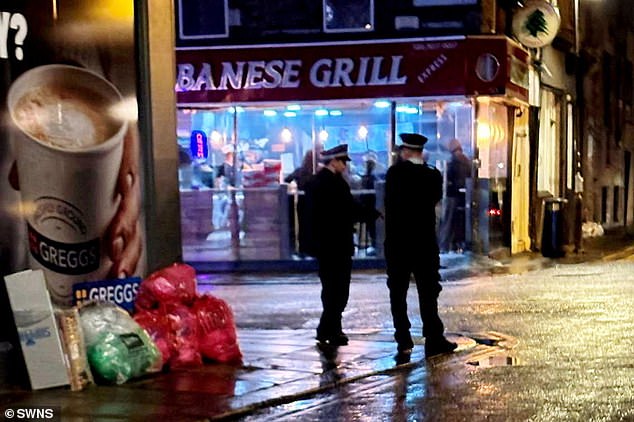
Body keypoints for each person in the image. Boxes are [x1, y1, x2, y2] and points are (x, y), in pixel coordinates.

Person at [384, 133, 457, 359]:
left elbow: (389, 202)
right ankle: (434, 337)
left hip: (398, 242)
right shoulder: (433, 175)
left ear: (405, 151)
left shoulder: (394, 174)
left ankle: (403, 338)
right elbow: (434, 200)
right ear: (421, 151)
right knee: (428, 291)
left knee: (398, 292)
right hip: (424, 242)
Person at [305, 144, 357, 347]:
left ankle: (330, 328)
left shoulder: (324, 182)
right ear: (333, 161)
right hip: (334, 244)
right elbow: (345, 210)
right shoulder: (329, 183)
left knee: (333, 289)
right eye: (343, 161)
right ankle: (329, 329)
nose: (345, 165)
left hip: (330, 245)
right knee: (337, 289)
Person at [439, 138, 471, 253]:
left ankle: (444, 247)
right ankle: (457, 244)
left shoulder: (454, 161)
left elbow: (449, 177)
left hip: (452, 195)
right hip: (464, 195)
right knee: (459, 221)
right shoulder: (467, 160)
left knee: (448, 221)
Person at [285, 150, 317, 257]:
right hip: (315, 203)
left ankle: (304, 250)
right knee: (313, 227)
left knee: (303, 227)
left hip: (302, 203)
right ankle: (313, 249)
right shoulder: (318, 172)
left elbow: (287, 180)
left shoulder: (300, 171)